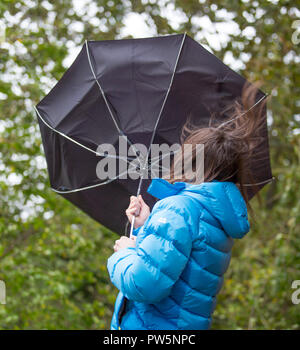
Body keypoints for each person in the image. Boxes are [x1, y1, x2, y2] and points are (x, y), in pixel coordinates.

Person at [107, 84, 267, 330]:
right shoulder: (211, 215)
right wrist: (144, 226)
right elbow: (178, 273)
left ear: (190, 160)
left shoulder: (179, 209)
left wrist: (124, 253)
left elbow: (145, 283)